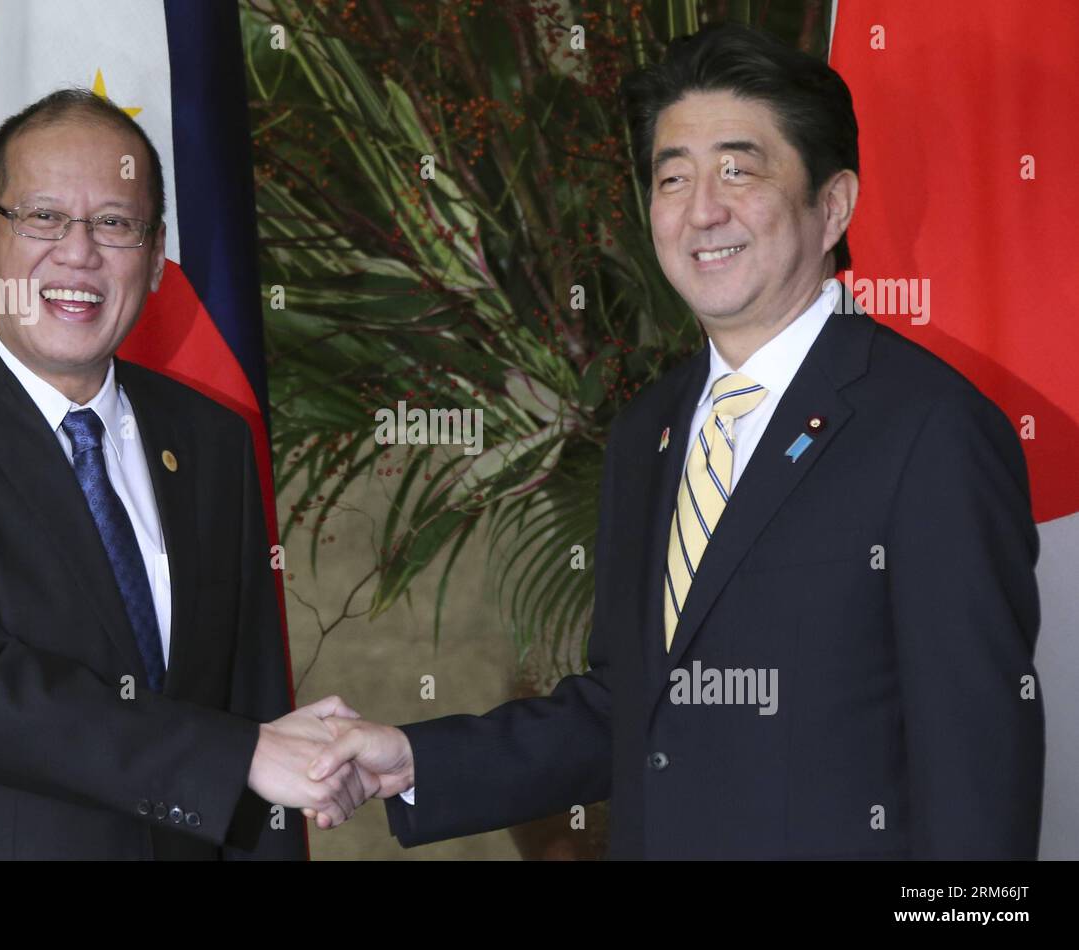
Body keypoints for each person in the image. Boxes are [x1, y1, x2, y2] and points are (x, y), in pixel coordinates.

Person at [306, 23, 1045, 859]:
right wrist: (411, 760)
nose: (702, 209)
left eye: (739, 168)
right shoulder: (647, 431)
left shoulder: (932, 430)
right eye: (672, 177)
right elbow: (629, 708)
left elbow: (978, 767)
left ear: (833, 204)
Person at [0, 89, 373, 860]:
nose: (79, 253)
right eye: (42, 217)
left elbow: (252, 702)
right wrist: (233, 755)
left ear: (155, 252)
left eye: (114, 222)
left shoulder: (211, 440)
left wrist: (264, 760)